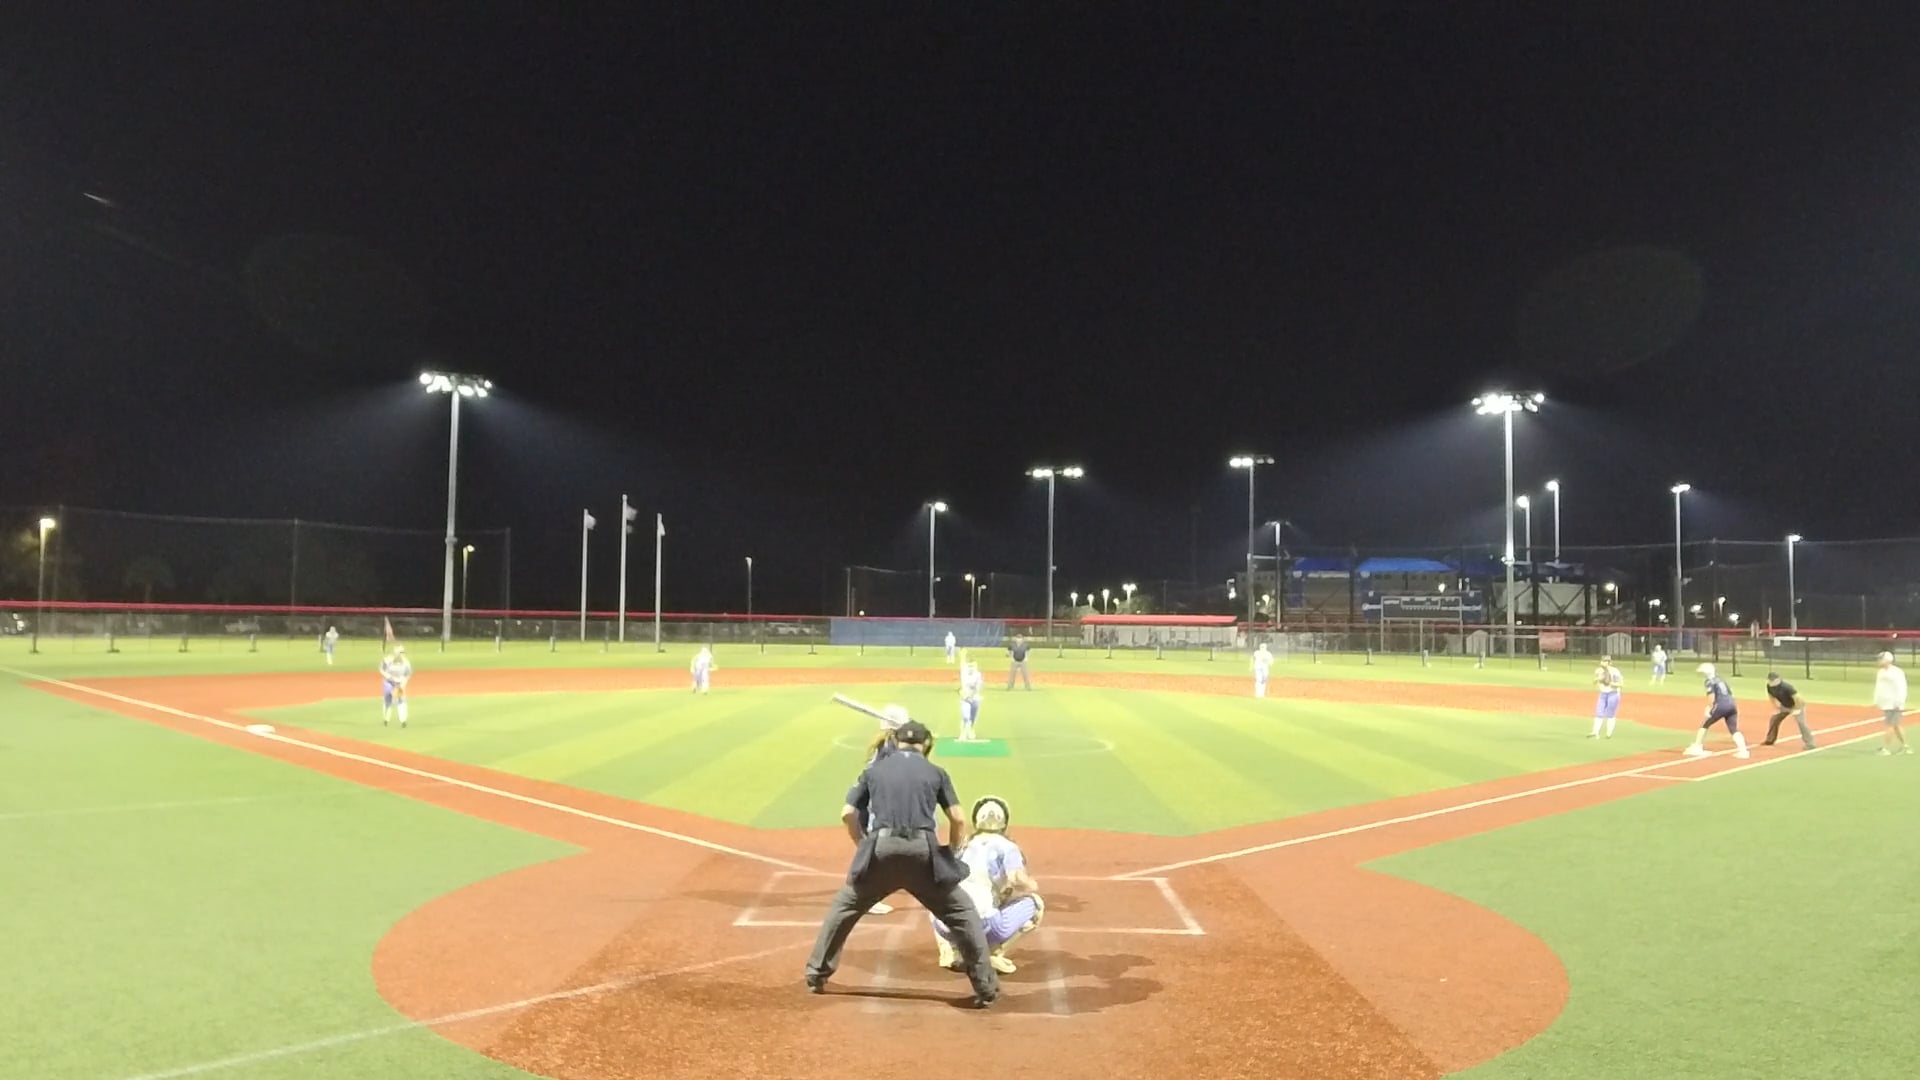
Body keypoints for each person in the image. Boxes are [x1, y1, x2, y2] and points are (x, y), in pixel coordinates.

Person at [804, 718, 999, 1008]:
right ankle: (985, 987)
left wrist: (863, 844)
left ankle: (816, 974)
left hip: (881, 851)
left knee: (844, 908)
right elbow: (958, 819)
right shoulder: (936, 772)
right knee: (961, 912)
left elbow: (847, 813)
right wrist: (952, 852)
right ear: (926, 744)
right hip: (922, 853)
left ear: (895, 742)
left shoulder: (873, 770)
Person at [931, 796, 1045, 975]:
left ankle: (950, 951)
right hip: (986, 923)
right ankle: (993, 954)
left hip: (948, 922)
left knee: (935, 898)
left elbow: (941, 876)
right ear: (1004, 822)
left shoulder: (963, 844)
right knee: (1036, 904)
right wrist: (1031, 885)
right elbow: (1017, 879)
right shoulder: (1008, 847)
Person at [1684, 663, 1748, 758]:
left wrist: (1709, 708)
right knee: (1733, 729)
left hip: (1721, 705)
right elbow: (1730, 693)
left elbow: (1711, 696)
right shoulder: (1721, 679)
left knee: (1705, 724)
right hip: (1732, 704)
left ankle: (1697, 746)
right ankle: (1743, 751)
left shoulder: (1709, 682)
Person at [1762, 672, 1816, 750]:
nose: (1771, 682)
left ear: (1778, 679)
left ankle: (1810, 744)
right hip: (1785, 706)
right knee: (1774, 719)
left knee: (1801, 723)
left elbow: (1797, 698)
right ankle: (1770, 740)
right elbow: (1771, 696)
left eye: (1773, 680)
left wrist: (1797, 709)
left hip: (1797, 705)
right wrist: (1776, 706)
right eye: (1770, 680)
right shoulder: (1769, 687)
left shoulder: (1786, 687)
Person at [1873, 651, 1910, 756]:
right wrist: (1877, 700)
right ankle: (1906, 747)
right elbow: (1879, 687)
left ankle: (1886, 748)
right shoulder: (1881, 672)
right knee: (1896, 725)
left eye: (1881, 659)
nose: (1879, 661)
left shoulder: (1897, 672)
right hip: (1886, 703)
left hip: (1894, 703)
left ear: (1887, 660)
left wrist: (1899, 702)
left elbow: (1902, 688)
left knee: (1890, 725)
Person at [1588, 654, 1624, 738]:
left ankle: (1609, 733)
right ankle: (1595, 731)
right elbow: (1594, 682)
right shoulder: (1598, 671)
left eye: (1605, 661)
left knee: (1610, 714)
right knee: (1599, 712)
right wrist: (1598, 679)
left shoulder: (1615, 671)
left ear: (1609, 662)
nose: (1602, 662)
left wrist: (1611, 683)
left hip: (1613, 693)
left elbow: (1621, 684)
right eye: (1602, 661)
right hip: (1603, 694)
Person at [379, 645, 412, 728]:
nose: (401, 654)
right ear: (395, 652)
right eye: (399, 652)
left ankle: (403, 720)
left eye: (402, 652)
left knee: (401, 701)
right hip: (388, 683)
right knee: (388, 701)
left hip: (399, 684)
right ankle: (386, 719)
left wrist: (403, 684)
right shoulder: (387, 660)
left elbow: (408, 674)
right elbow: (381, 669)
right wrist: (387, 676)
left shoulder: (406, 662)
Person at [958, 658, 985, 740]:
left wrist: (971, 696)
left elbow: (978, 687)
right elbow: (962, 662)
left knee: (972, 717)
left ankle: (971, 730)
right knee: (966, 717)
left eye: (972, 666)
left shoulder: (978, 675)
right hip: (965, 699)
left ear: (976, 667)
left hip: (975, 699)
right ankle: (963, 732)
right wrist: (962, 655)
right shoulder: (964, 673)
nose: (971, 668)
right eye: (969, 666)